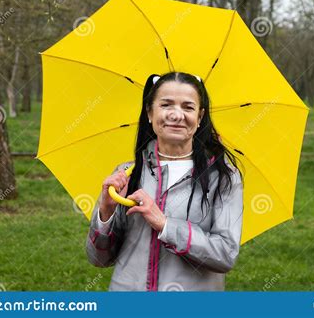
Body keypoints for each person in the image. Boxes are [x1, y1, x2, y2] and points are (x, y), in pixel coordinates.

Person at [86, 71, 244, 291]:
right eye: (166, 104)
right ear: (150, 113)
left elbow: (225, 255)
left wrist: (165, 225)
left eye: (188, 107)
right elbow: (99, 259)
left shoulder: (223, 177)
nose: (176, 115)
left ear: (199, 118)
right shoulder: (126, 174)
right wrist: (106, 212)